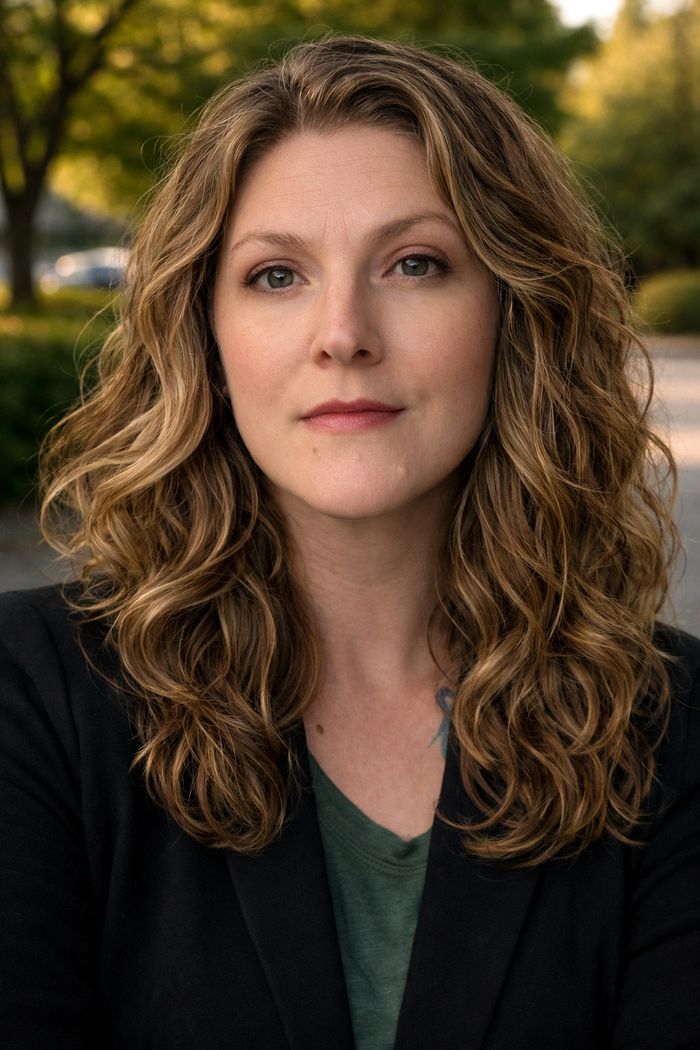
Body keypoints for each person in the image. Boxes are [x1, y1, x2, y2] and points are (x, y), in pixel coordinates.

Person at [1, 34, 698, 1050]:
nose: (343, 332)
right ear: (208, 339)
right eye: (276, 275)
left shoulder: (671, 735)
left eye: (415, 264)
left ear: (516, 315)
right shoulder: (29, 701)